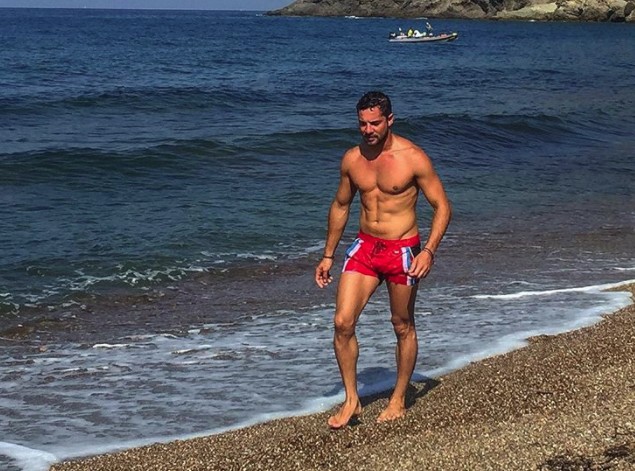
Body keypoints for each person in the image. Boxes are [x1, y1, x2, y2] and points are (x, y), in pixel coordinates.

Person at [314, 91, 451, 429]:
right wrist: (328, 255)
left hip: (403, 250)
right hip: (365, 247)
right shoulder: (353, 159)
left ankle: (399, 399)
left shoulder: (413, 158)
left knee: (402, 324)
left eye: (374, 123)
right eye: (362, 123)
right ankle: (352, 400)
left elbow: (442, 207)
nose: (368, 130)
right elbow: (341, 205)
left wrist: (429, 251)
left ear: (390, 119)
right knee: (342, 323)